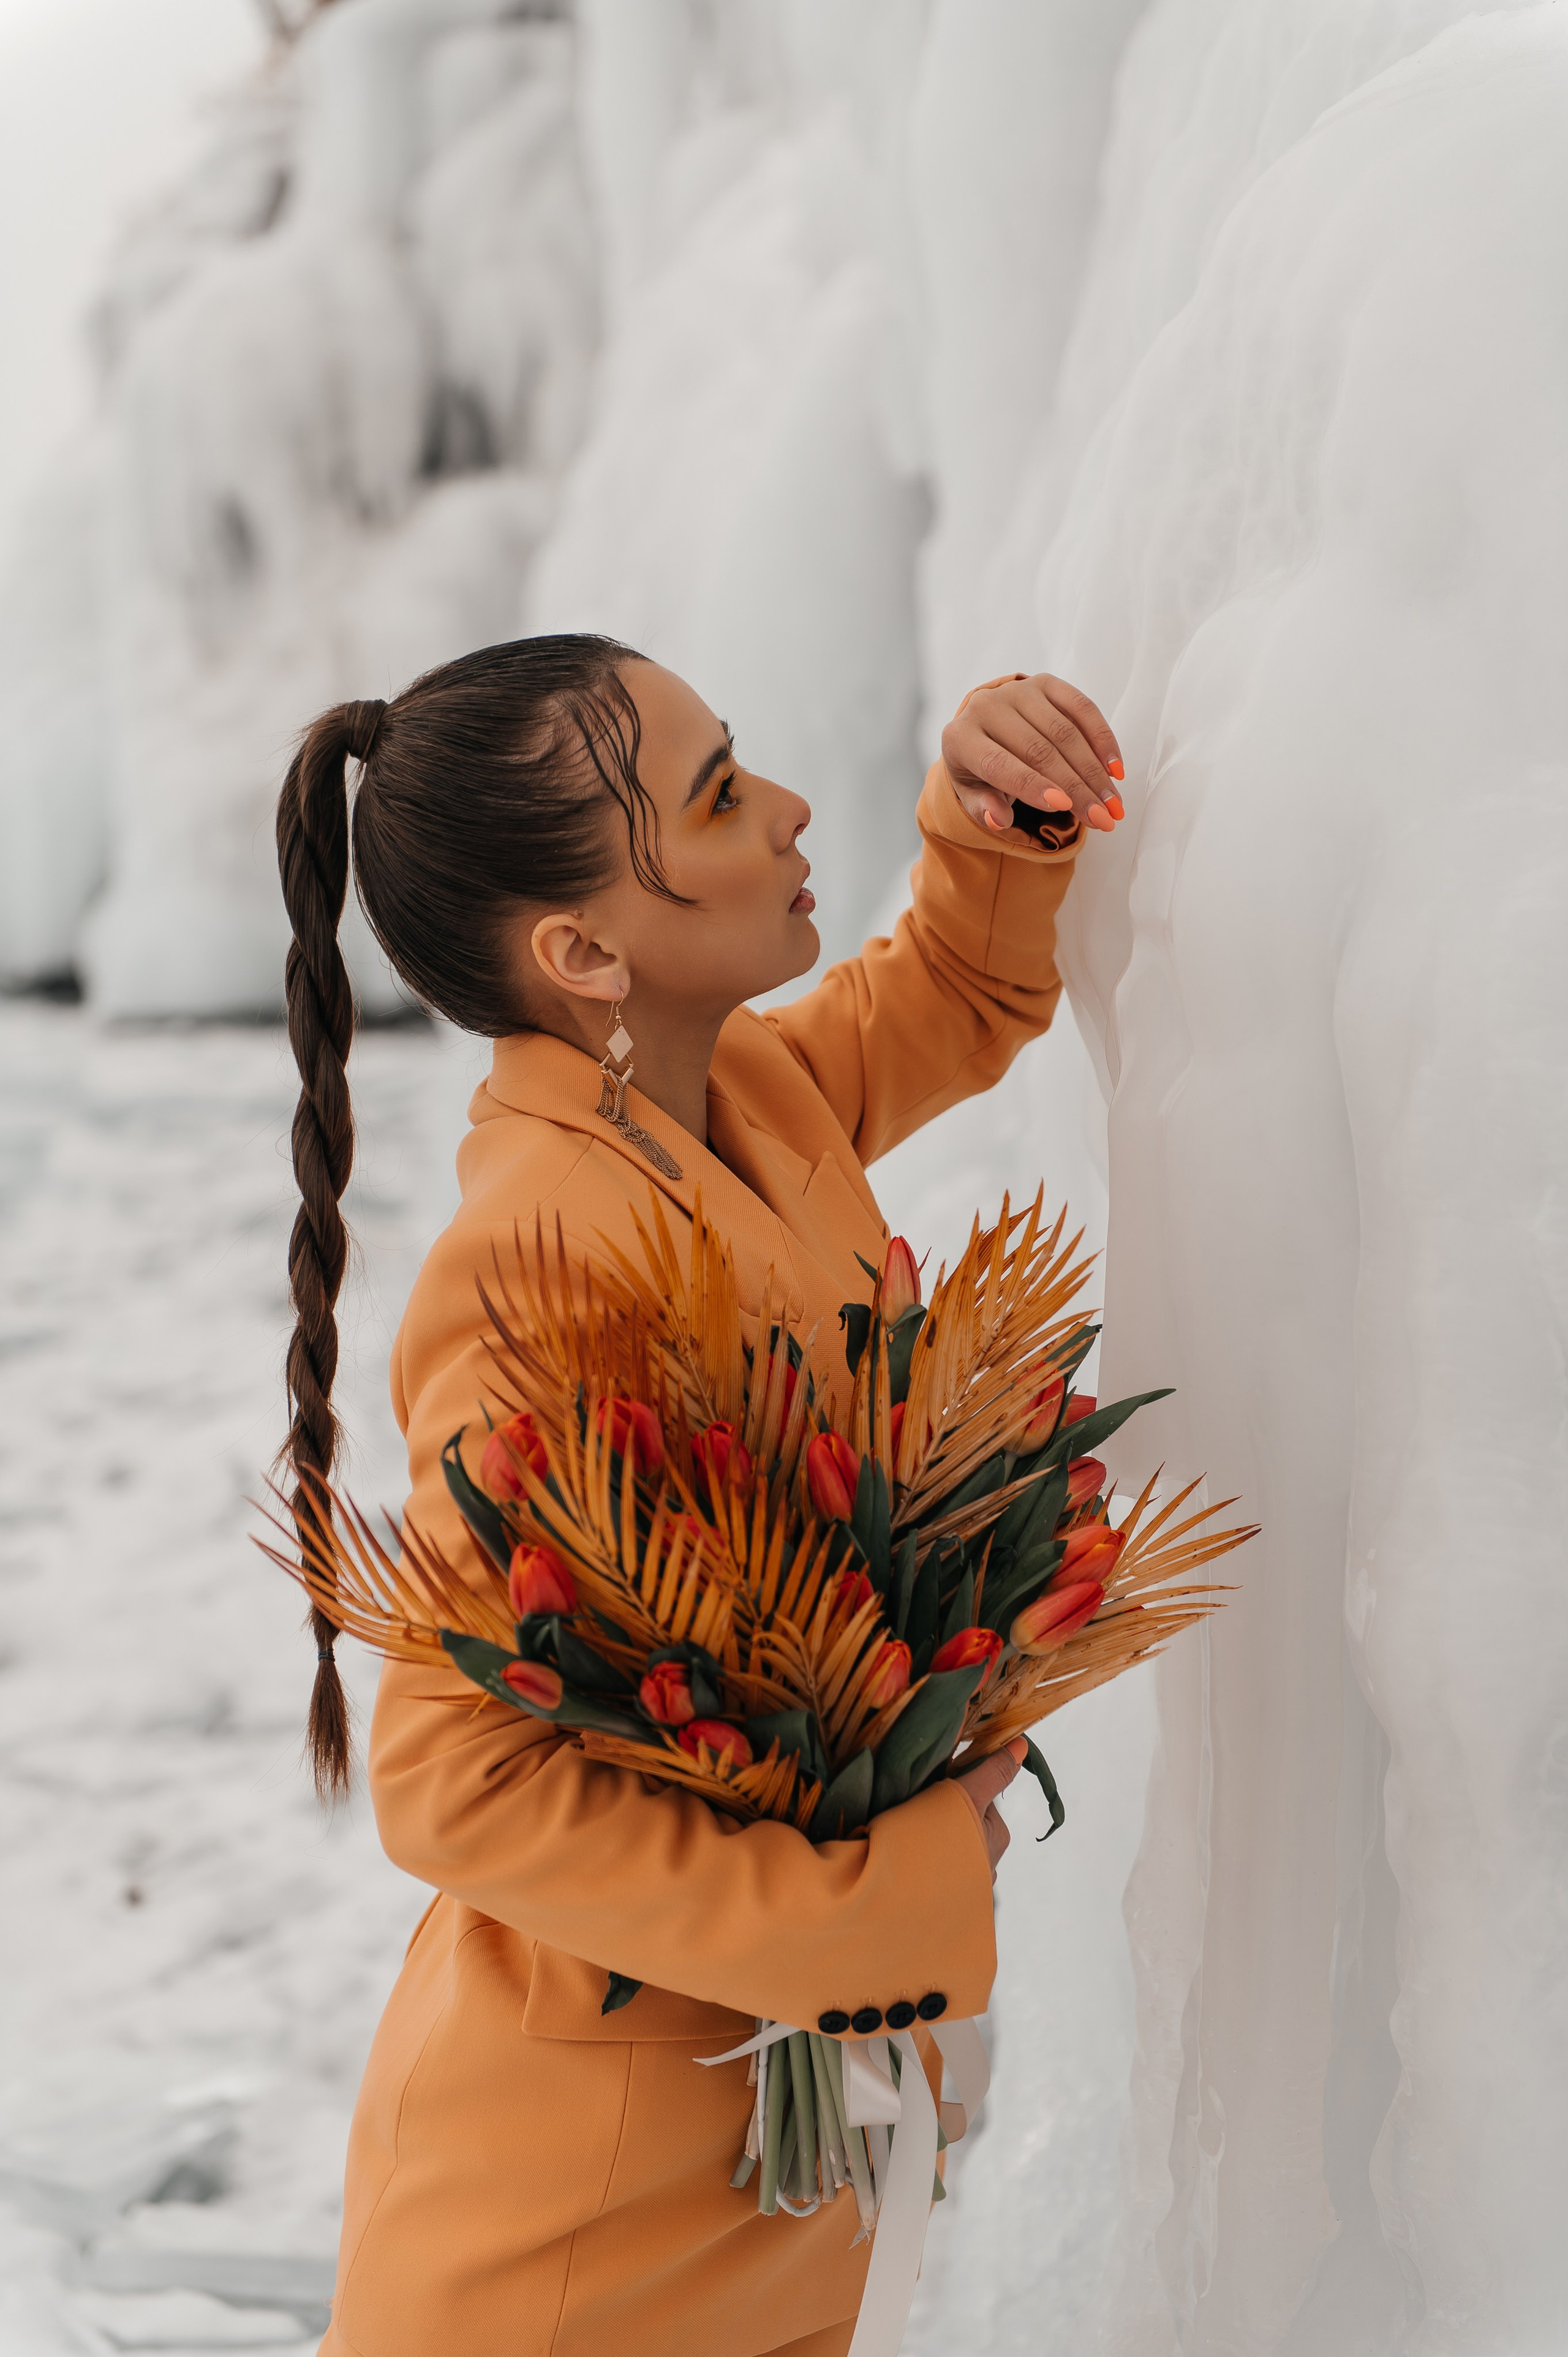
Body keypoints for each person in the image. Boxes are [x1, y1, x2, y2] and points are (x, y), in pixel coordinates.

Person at [274, 635, 1125, 2357]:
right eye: (722, 795)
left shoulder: (729, 1088)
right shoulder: (540, 1253)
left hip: (752, 2171)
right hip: (572, 2226)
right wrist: (863, 1908)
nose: (795, 809)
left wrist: (995, 812)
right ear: (585, 952)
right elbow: (453, 1782)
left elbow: (946, 998)